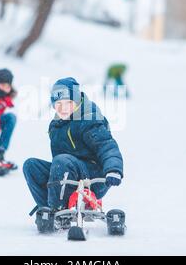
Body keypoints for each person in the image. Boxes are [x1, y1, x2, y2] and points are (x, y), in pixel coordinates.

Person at [23, 77, 124, 231]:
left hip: (94, 177)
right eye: (58, 104)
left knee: (62, 160)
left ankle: (58, 211)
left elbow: (106, 146)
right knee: (31, 165)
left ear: (77, 102)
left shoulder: (89, 119)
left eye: (68, 103)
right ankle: (48, 212)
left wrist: (113, 169)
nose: (62, 108)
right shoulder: (56, 126)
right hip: (66, 173)